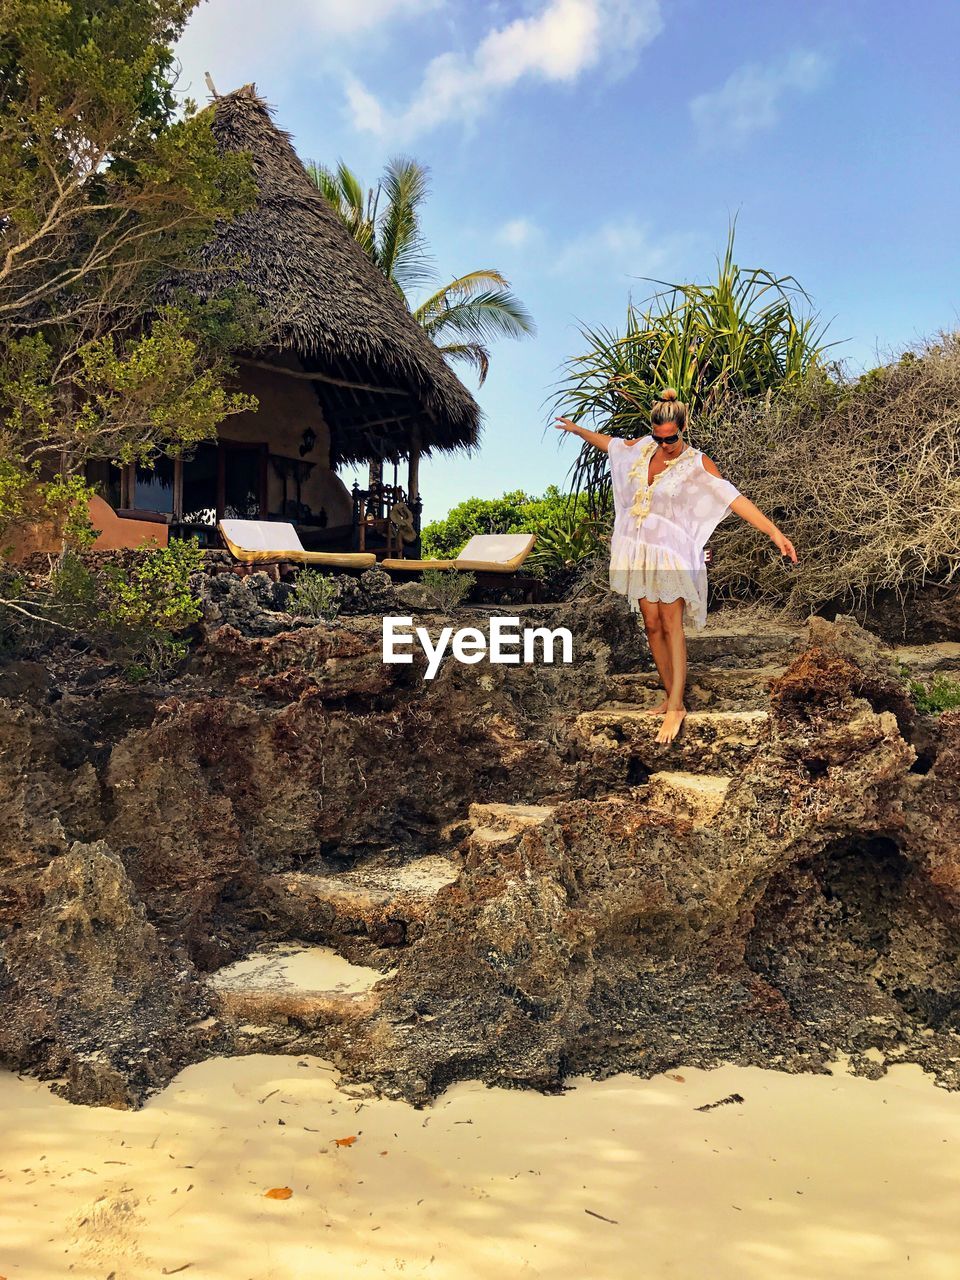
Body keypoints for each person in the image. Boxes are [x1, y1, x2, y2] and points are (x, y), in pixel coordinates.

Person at [555, 388, 798, 745]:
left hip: (671, 554)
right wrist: (578, 431)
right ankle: (670, 694)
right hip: (640, 552)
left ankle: (676, 707)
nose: (665, 444)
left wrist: (773, 531)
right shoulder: (643, 449)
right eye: (659, 437)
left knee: (672, 625)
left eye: (671, 438)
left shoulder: (697, 463)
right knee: (651, 625)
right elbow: (612, 445)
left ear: (683, 429)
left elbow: (733, 497)